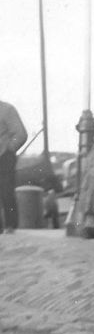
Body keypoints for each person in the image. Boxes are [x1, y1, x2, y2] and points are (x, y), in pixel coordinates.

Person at [0, 99, 27, 234]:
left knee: (6, 191)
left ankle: (10, 226)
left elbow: (21, 134)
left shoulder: (7, 109)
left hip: (4, 157)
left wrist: (8, 149)